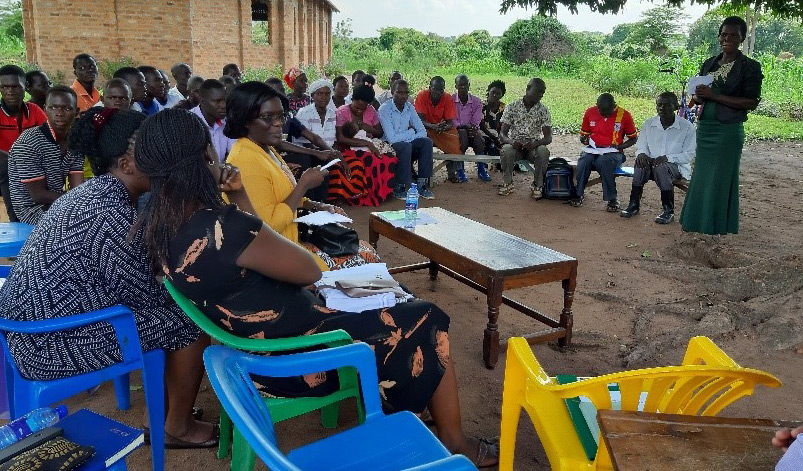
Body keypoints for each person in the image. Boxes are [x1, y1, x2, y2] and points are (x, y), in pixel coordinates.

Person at [136, 108, 498, 468]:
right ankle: (457, 441)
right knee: (426, 315)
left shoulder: (158, 224)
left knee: (394, 301)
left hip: (255, 346)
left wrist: (238, 196)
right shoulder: (222, 227)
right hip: (297, 356)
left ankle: (419, 399)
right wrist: (239, 199)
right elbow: (307, 270)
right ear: (204, 157)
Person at [0, 106, 216, 448]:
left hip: (35, 325)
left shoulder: (100, 193)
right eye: (149, 154)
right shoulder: (107, 212)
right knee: (190, 322)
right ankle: (175, 426)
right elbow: (144, 295)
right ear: (127, 164)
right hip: (47, 341)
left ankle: (163, 414)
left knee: (172, 310)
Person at [224, 81, 377, 271]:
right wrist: (303, 184)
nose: (279, 123)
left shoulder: (264, 149)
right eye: (267, 117)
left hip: (290, 242)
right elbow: (267, 228)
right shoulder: (245, 160)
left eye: (281, 116)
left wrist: (316, 205)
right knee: (367, 259)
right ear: (245, 120)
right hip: (278, 257)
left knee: (365, 251)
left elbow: (280, 197)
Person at [681, 16, 763, 235]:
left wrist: (715, 96)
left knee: (720, 178)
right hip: (706, 127)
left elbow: (751, 102)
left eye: (733, 35)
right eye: (724, 34)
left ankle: (714, 226)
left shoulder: (750, 67)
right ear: (719, 37)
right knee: (702, 175)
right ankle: (696, 223)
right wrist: (699, 97)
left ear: (742, 38)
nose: (727, 39)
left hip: (727, 131)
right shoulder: (709, 63)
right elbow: (700, 97)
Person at [8, 86, 83, 225]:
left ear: (76, 112)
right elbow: (38, 195)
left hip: (57, 202)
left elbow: (77, 185)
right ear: (44, 109)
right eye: (53, 108)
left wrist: (82, 202)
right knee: (80, 225)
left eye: (67, 109)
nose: (59, 113)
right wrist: (77, 202)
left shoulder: (75, 141)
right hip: (32, 210)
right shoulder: (29, 142)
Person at [621, 92, 696, 224]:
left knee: (661, 167)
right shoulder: (649, 124)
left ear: (676, 107)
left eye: (667, 105)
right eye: (659, 105)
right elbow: (641, 145)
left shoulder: (687, 127)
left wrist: (667, 158)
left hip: (676, 167)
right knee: (640, 163)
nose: (662, 108)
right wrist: (642, 153)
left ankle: (668, 210)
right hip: (652, 164)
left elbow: (689, 155)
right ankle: (633, 205)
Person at [570, 93, 638, 210]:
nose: (605, 115)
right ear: (597, 106)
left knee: (604, 162)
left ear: (614, 106)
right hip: (593, 149)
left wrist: (620, 146)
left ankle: (612, 198)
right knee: (584, 161)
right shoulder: (590, 112)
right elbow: (584, 135)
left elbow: (633, 138)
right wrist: (584, 139)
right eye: (602, 112)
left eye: (608, 112)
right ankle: (578, 193)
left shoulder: (624, 115)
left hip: (614, 152)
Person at [334, 85, 398, 206]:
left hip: (369, 146)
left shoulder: (371, 110)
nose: (359, 111)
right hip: (348, 148)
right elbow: (341, 138)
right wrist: (367, 143)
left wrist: (368, 128)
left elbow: (379, 132)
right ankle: (368, 195)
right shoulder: (342, 112)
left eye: (363, 109)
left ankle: (382, 193)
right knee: (372, 160)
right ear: (352, 99)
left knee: (389, 159)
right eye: (357, 107)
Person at [0, 64, 48, 222]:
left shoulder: (34, 111)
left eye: (15, 87)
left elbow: (49, 137)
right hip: (6, 169)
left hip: (34, 166)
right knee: (16, 214)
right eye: (4, 87)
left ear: (25, 87)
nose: (10, 92)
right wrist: (17, 159)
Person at [378, 79, 435, 200]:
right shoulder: (385, 109)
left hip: (406, 143)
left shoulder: (409, 107)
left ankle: (421, 184)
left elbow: (422, 132)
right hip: (389, 145)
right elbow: (392, 139)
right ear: (392, 92)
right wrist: (410, 132)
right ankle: (400, 186)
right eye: (399, 92)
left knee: (427, 142)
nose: (403, 96)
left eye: (406, 93)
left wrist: (409, 135)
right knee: (405, 146)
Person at [498, 78, 552, 198]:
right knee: (506, 150)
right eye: (538, 91)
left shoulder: (543, 110)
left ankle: (537, 185)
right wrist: (512, 142)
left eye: (542, 93)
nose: (540, 95)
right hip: (515, 146)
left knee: (543, 151)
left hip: (532, 147)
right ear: (528, 89)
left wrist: (534, 144)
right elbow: (502, 134)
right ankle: (507, 183)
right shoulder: (512, 107)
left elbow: (548, 138)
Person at [288, 79, 340, 202]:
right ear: (312, 96)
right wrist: (323, 151)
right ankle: (314, 202)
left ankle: (324, 201)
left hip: (327, 150)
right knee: (320, 163)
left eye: (327, 94)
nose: (324, 97)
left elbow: (334, 138)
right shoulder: (304, 113)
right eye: (319, 93)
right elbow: (306, 140)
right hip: (308, 151)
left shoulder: (332, 114)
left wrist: (334, 152)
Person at [415, 76, 463, 183]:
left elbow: (450, 123)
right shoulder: (422, 96)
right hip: (425, 128)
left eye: (440, 89)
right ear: (430, 88)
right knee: (424, 143)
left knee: (455, 139)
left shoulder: (447, 98)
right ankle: (425, 176)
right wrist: (433, 126)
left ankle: (452, 173)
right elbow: (420, 120)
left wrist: (443, 127)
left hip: (441, 129)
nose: (437, 92)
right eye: (435, 89)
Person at [453, 74, 490, 182]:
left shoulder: (476, 101)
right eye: (460, 85)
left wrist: (472, 128)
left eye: (465, 85)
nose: (463, 87)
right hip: (457, 131)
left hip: (472, 130)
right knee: (462, 135)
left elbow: (477, 119)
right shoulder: (451, 100)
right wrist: (463, 126)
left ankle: (481, 168)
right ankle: (460, 170)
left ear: (469, 86)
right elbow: (452, 119)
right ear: (456, 86)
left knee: (478, 138)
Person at [191, 79, 234, 164]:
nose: (223, 105)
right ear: (202, 101)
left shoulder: (226, 121)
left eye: (224, 100)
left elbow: (234, 151)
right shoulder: (189, 123)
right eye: (217, 101)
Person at [480, 80, 507, 166]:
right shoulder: (481, 106)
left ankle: (500, 162)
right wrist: (493, 137)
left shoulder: (503, 108)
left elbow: (505, 125)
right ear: (488, 92)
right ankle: (483, 163)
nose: (495, 95)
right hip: (483, 132)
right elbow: (481, 126)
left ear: (502, 95)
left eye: (498, 93)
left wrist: (499, 136)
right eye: (493, 92)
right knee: (486, 140)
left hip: (498, 134)